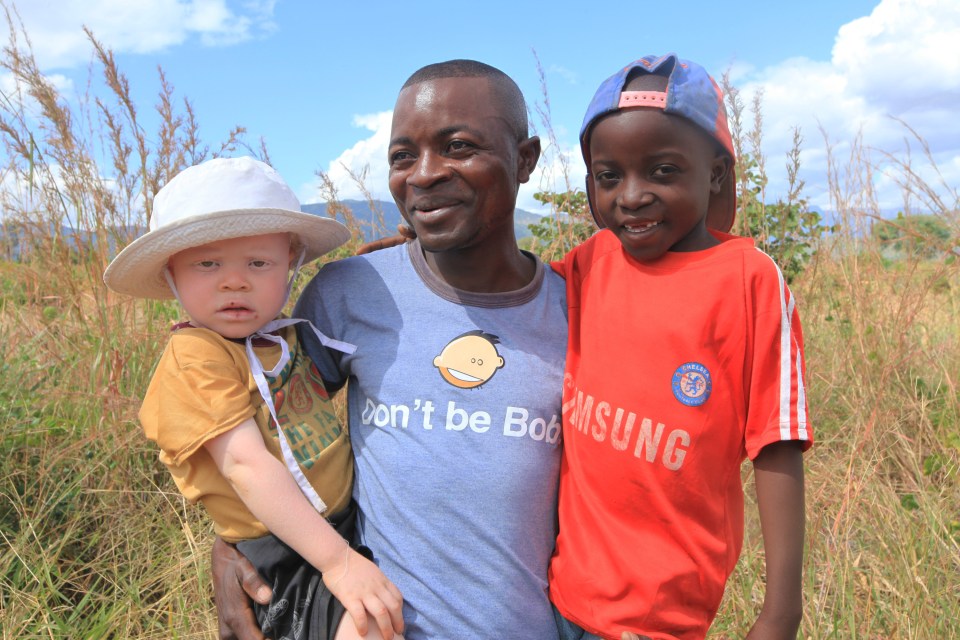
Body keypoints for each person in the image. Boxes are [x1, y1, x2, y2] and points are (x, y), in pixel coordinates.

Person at [212, 61, 568, 640]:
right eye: (403, 156)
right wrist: (238, 541)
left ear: (525, 158)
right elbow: (268, 427)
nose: (424, 175)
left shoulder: (579, 315)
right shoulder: (351, 293)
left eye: (458, 146)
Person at [548, 54, 812, 640]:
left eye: (662, 171)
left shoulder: (748, 281)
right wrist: (418, 263)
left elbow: (778, 445)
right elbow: (508, 292)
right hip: (555, 594)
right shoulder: (589, 264)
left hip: (659, 617)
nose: (632, 196)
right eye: (608, 176)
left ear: (715, 173)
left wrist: (780, 614)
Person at [103, 157, 405, 640]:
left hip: (340, 528)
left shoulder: (280, 339)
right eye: (208, 264)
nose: (234, 281)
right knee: (367, 627)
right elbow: (246, 465)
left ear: (290, 266)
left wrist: (381, 273)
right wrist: (338, 561)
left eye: (259, 263)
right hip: (284, 550)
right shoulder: (197, 356)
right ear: (170, 275)